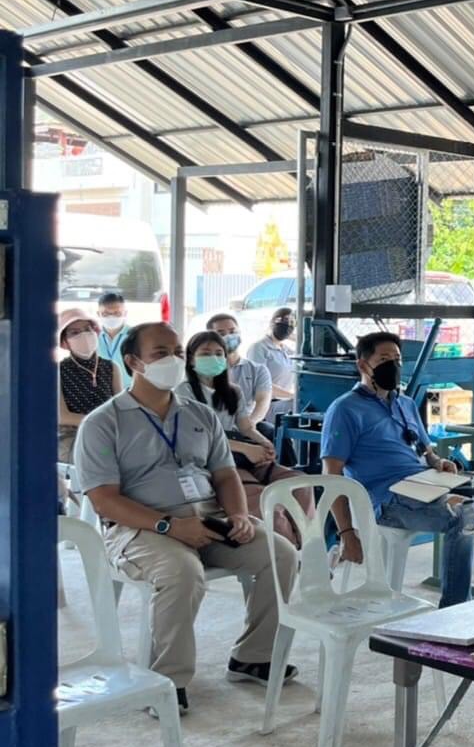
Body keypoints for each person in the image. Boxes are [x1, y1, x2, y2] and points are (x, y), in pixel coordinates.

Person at [73, 322, 298, 714]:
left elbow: (225, 474)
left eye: (177, 352)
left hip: (208, 517)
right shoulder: (103, 423)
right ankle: (167, 681)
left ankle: (253, 656)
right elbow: (104, 499)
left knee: (280, 554)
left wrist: (239, 515)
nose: (174, 360)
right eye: (161, 354)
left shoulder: (199, 414)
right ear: (134, 362)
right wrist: (170, 526)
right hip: (143, 526)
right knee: (182, 571)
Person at [320, 332, 474, 606]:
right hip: (387, 498)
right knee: (463, 512)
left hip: (426, 484)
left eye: (397, 359)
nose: (393, 365)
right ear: (363, 365)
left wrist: (438, 462)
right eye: (384, 359)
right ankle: (455, 608)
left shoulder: (405, 404)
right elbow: (332, 475)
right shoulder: (345, 409)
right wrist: (346, 533)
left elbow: (426, 451)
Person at [181, 331, 313, 548]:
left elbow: (246, 426)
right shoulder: (183, 393)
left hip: (241, 457)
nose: (213, 358)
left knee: (301, 484)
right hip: (214, 463)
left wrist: (263, 443)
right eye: (205, 353)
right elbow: (200, 437)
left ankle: (307, 548)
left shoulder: (232, 392)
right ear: (191, 359)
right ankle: (286, 555)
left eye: (219, 353)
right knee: (266, 502)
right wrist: (245, 449)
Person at [58, 309, 122, 463]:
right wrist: (100, 422)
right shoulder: (58, 370)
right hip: (72, 436)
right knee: (100, 457)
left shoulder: (111, 367)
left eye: (87, 329)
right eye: (75, 333)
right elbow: (62, 416)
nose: (84, 335)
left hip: (107, 433)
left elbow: (120, 409)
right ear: (65, 342)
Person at [205, 312, 272, 428]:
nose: (228, 336)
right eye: (221, 334)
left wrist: (248, 426)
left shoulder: (258, 370)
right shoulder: (204, 369)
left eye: (232, 332)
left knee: (269, 430)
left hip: (247, 425)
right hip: (212, 426)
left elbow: (262, 402)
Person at [245, 307, 297, 425]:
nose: (287, 326)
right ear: (272, 322)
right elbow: (261, 383)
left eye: (291, 323)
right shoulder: (259, 348)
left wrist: (296, 338)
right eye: (283, 321)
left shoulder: (286, 350)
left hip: (283, 402)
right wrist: (292, 395)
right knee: (298, 405)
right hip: (265, 406)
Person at [96, 290, 131, 386]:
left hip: (129, 391)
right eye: (105, 314)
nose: (111, 317)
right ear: (98, 314)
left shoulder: (135, 335)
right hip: (101, 391)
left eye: (117, 313)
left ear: (125, 313)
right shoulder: (93, 337)